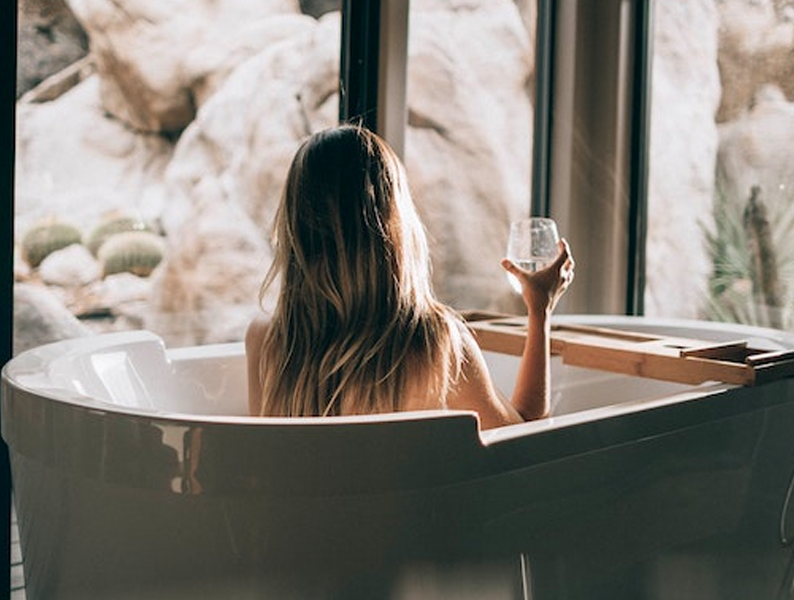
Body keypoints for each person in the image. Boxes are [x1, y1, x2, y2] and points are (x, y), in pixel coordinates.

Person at [245, 124, 574, 430]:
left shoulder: (266, 340)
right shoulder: (436, 342)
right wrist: (539, 311)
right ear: (394, 225)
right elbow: (521, 443)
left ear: (295, 228)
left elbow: (268, 461)